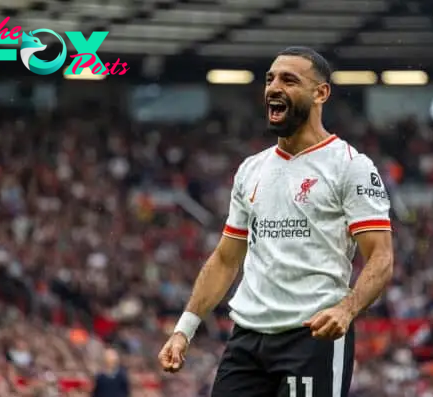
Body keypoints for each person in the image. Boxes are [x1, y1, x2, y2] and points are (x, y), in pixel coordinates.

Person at [158, 46, 394, 397]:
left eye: (289, 79)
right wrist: (184, 330)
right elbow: (225, 259)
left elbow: (382, 257)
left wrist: (347, 309)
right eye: (270, 79)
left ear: (321, 93)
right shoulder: (251, 169)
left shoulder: (350, 166)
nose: (273, 87)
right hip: (247, 339)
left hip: (312, 337)